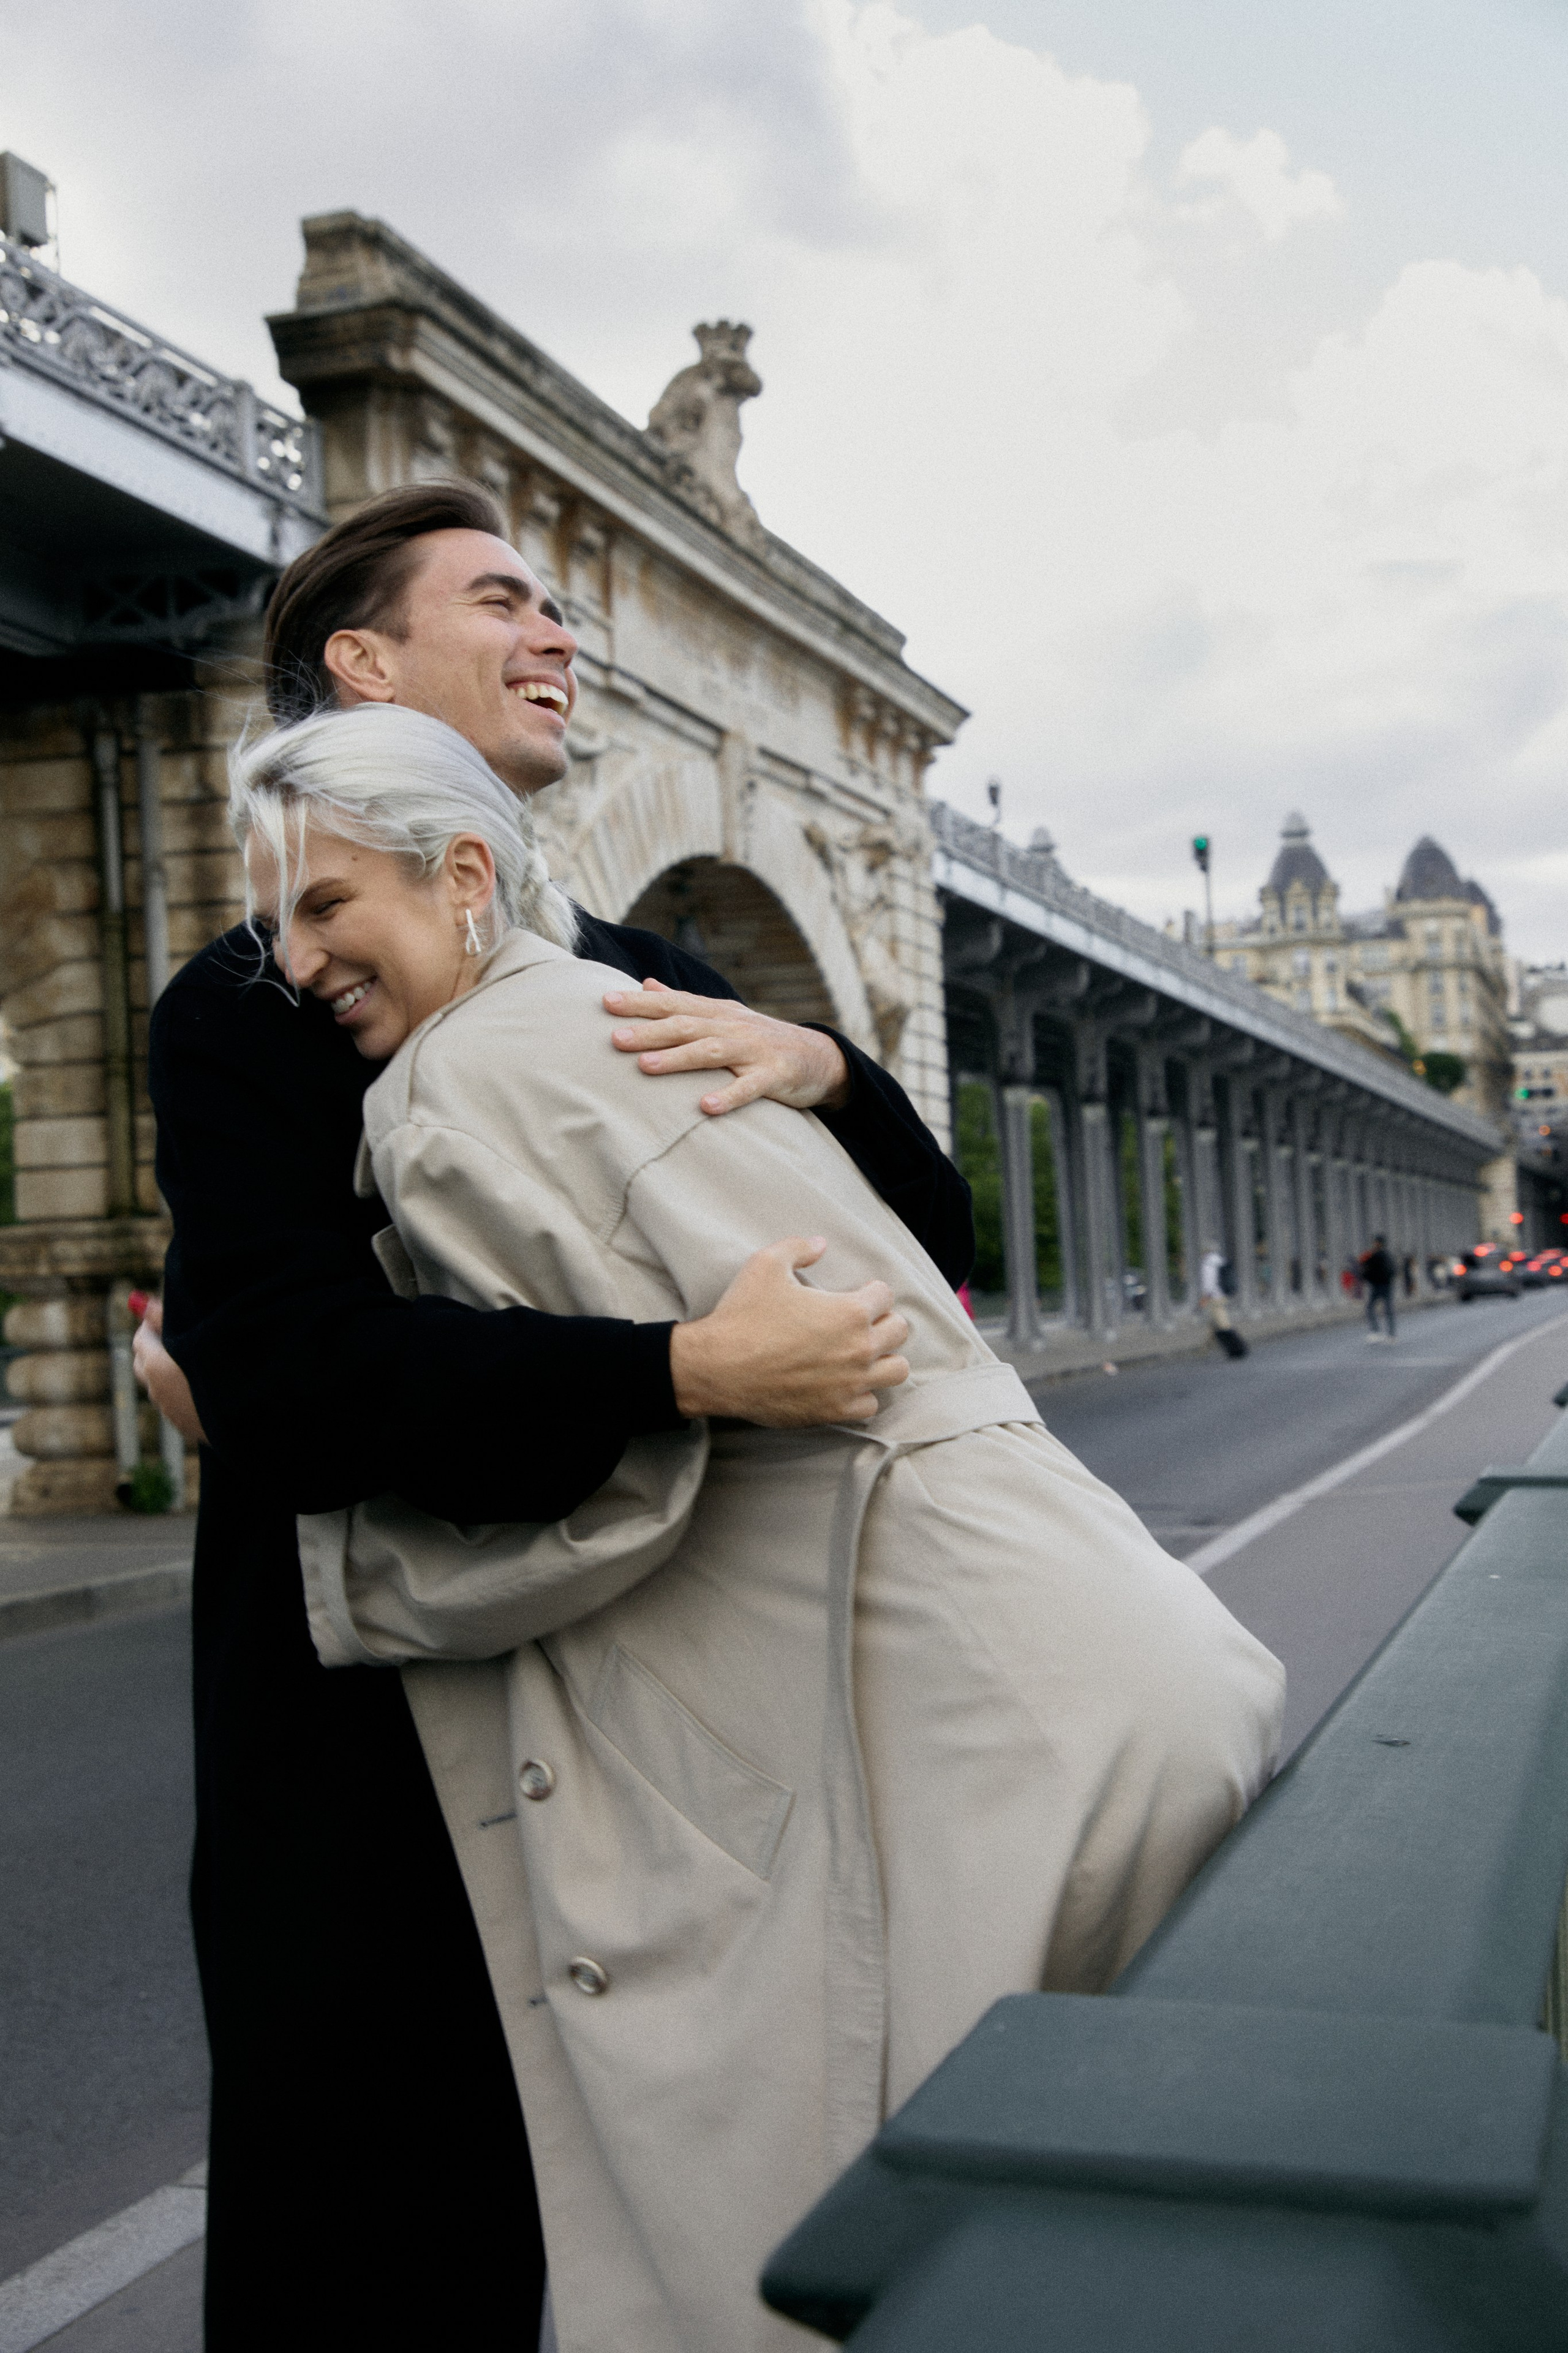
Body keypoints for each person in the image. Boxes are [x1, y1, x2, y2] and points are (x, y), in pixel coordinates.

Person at [232, 703, 1286, 2353]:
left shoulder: (440, 1099)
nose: (293, 965)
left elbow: (592, 1495)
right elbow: (924, 1256)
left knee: (838, 2234)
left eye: (320, 906)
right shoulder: (641, 1012)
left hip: (971, 1711)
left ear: (455, 877)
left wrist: (356, 1559)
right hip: (1120, 1650)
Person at [140, 480, 975, 2351]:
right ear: (363, 661)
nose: (555, 633)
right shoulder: (256, 1003)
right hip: (364, 1771)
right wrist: (681, 1372)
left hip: (642, 1729)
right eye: (502, 597)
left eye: (560, 603)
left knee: (671, 2225)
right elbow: (287, 1382)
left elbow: (925, 1247)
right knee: (391, 2235)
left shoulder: (654, 979)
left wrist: (827, 1064)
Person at [1199, 1242, 1247, 1359]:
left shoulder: (1208, 1263)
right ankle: (1205, 1349)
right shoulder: (1220, 1260)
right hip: (1223, 1295)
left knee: (1223, 1324)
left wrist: (1205, 1298)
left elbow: (1209, 1283)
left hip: (1214, 1297)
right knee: (1213, 1323)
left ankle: (1238, 1348)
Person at [1359, 1233, 1398, 1339]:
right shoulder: (1388, 1255)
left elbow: (1366, 1267)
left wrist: (1367, 1278)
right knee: (1388, 1309)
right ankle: (1391, 1334)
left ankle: (1376, 1331)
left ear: (1377, 1243)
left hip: (1377, 1286)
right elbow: (1394, 1270)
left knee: (1370, 1308)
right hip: (1387, 1286)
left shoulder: (1375, 1255)